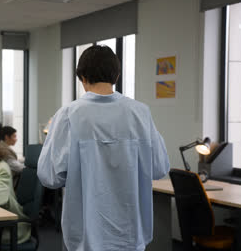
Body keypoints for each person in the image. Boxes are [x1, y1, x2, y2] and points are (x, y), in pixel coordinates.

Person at [37, 45, 170, 251]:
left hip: (85, 237)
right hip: (131, 236)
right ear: (116, 76)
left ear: (81, 77)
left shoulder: (68, 114)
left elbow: (50, 176)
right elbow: (159, 168)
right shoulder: (140, 113)